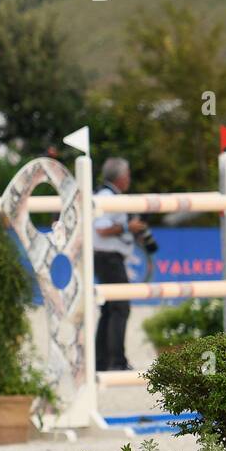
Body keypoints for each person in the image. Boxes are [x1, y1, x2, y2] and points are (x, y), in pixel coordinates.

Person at [93, 157, 146, 372]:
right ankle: (116, 361)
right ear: (122, 177)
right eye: (128, 175)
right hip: (108, 258)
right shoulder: (107, 196)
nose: (129, 179)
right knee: (120, 308)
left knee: (109, 309)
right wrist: (127, 227)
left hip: (107, 257)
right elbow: (102, 229)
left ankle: (102, 361)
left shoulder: (108, 195)